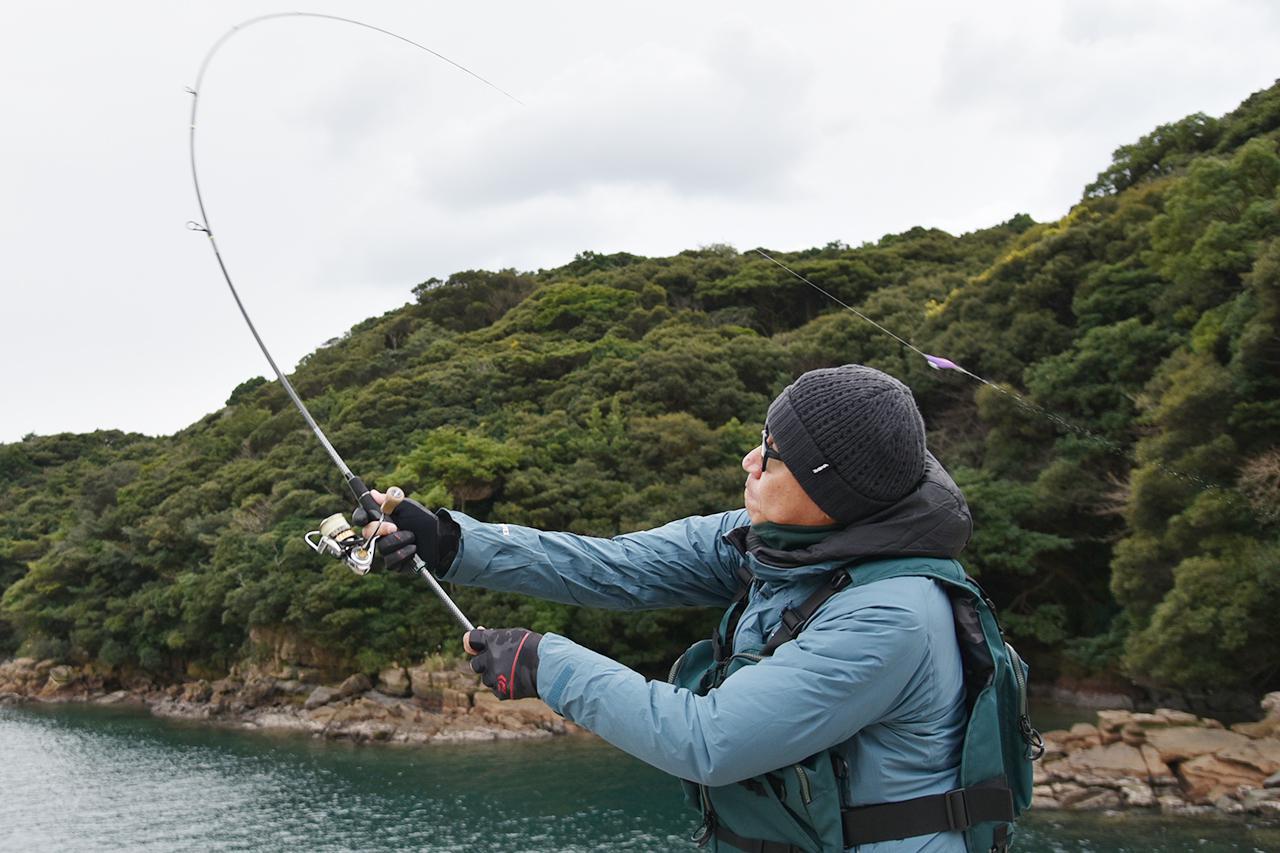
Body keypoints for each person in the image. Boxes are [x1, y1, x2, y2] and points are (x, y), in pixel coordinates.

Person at [365, 364, 975, 852]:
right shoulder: (776, 538)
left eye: (774, 454)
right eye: (761, 440)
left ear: (829, 489)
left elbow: (710, 742)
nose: (750, 462)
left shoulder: (891, 615)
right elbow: (616, 568)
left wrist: (542, 662)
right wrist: (454, 542)